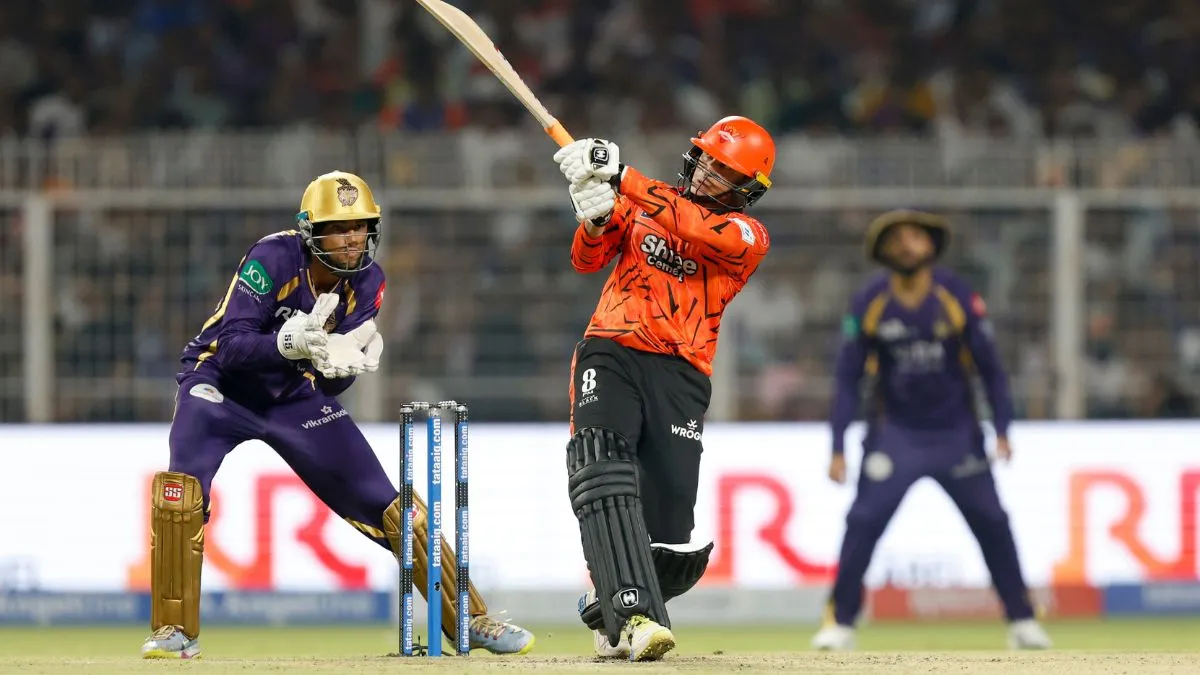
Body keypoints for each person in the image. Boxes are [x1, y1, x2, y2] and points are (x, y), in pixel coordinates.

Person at [139, 170, 534, 659]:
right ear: (311, 232)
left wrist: (342, 367)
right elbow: (232, 345)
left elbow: (327, 382)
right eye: (338, 228)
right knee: (180, 493)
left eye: (360, 226)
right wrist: (288, 342)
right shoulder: (273, 257)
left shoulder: (370, 283)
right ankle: (175, 630)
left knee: (394, 509)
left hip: (293, 396)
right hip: (219, 385)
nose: (351, 239)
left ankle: (469, 620)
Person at [552, 117, 776, 661]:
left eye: (724, 171)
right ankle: (634, 615)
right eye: (706, 160)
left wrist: (621, 177)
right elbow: (586, 260)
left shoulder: (748, 236)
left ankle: (607, 609)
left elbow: (695, 228)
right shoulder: (641, 205)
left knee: (674, 530)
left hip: (683, 372)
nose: (707, 174)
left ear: (747, 189)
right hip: (613, 348)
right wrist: (596, 219)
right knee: (604, 469)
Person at [811, 209, 1052, 651]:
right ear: (882, 251)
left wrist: (1001, 428)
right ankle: (840, 621)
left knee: (993, 521)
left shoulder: (955, 295)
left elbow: (991, 369)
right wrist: (837, 446)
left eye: (915, 237)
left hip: (956, 435)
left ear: (931, 245)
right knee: (863, 520)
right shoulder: (870, 301)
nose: (906, 246)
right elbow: (847, 379)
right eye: (896, 239)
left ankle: (1022, 618)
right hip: (894, 435)